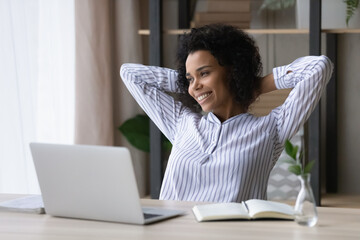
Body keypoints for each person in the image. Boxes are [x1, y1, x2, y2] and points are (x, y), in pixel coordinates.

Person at [120, 24, 333, 203]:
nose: (194, 87)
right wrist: (189, 83)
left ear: (233, 71)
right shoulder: (182, 124)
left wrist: (253, 84)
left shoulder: (272, 129)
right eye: (190, 78)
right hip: (169, 232)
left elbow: (319, 67)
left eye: (204, 73)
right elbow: (129, 74)